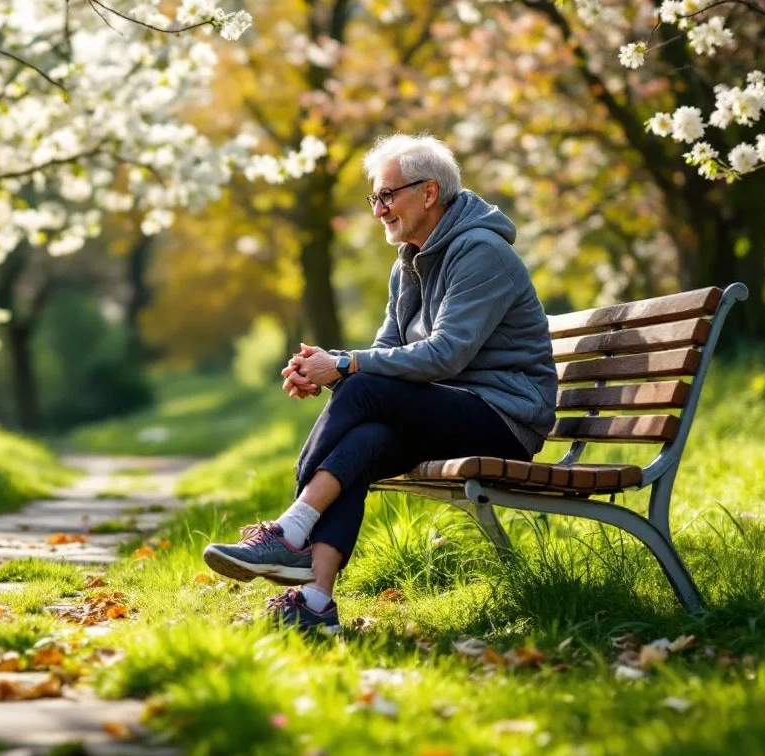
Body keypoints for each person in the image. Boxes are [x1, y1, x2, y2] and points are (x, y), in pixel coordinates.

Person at [202, 133, 558, 630]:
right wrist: (326, 371)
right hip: (448, 408)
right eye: (375, 198)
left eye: (387, 196)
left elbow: (445, 355)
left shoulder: (481, 252)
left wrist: (344, 366)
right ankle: (316, 602)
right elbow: (389, 354)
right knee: (366, 439)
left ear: (429, 193)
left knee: (361, 385)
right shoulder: (408, 263)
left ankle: (290, 532)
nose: (378, 210)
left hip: (504, 417)